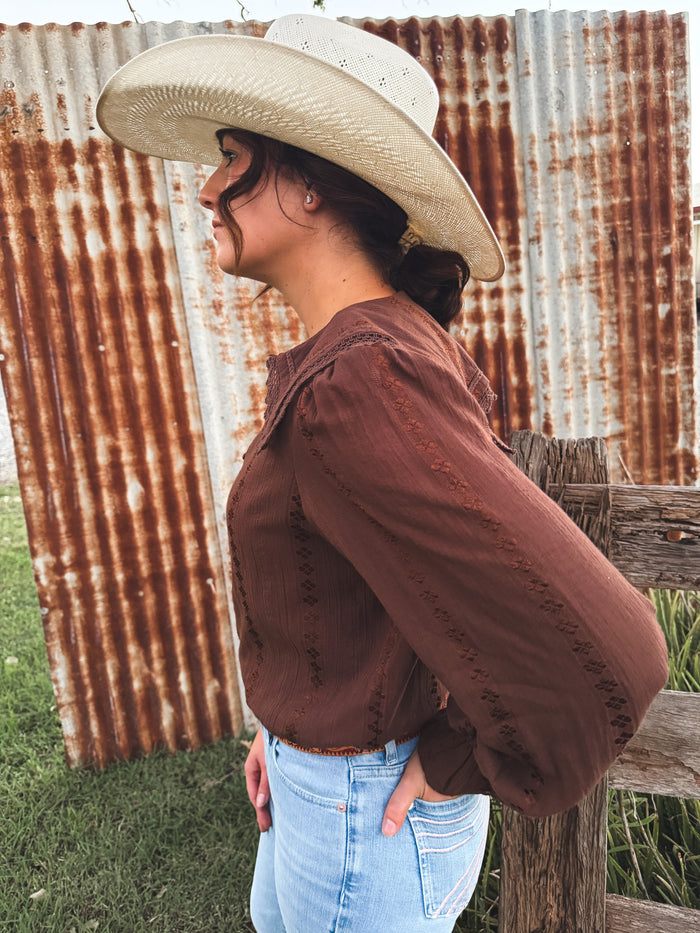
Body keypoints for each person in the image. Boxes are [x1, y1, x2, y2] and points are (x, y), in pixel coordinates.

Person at [96, 14, 669, 932]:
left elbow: (613, 656)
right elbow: (382, 579)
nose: (207, 186)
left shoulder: (359, 379)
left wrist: (451, 760)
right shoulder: (378, 350)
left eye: (233, 156)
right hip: (321, 784)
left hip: (364, 814)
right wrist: (289, 727)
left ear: (312, 183)